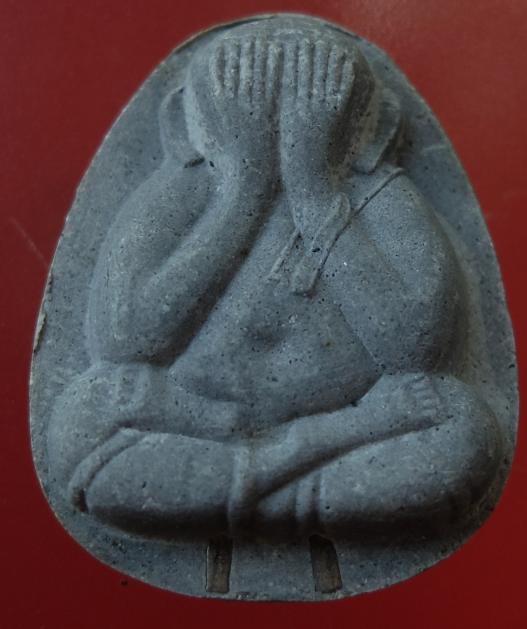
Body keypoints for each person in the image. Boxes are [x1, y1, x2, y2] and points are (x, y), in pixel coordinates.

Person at [48, 21, 503, 541]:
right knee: (83, 416)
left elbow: (415, 348)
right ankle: (310, 491)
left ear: (370, 127)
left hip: (348, 422)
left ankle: (225, 496)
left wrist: (314, 190)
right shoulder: (184, 188)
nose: (282, 122)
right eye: (251, 98)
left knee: (463, 423)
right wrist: (245, 187)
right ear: (188, 122)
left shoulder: (377, 194)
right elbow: (127, 339)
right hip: (202, 421)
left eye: (310, 100)